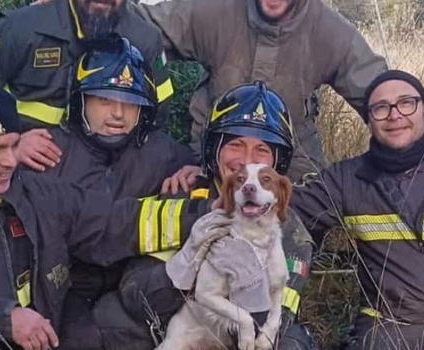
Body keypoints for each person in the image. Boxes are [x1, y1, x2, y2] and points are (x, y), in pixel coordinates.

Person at [0, 75, 212, 350]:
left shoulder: (40, 196)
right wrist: (1, 318)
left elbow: (119, 222)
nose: (11, 161)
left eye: (14, 145)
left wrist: (208, 214)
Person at [137, 0, 424, 183]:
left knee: (292, 242)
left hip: (292, 169)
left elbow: (383, 93)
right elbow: (139, 27)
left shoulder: (331, 32)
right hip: (210, 161)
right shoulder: (212, 11)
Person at [288, 70, 424, 349]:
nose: (394, 115)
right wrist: (235, 198)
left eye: (407, 103)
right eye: (381, 108)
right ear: (369, 121)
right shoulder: (346, 179)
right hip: (392, 329)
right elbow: (286, 214)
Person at [21, 35, 197, 349]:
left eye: (130, 102)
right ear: (81, 100)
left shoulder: (163, 154)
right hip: (67, 285)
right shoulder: (47, 151)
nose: (118, 113)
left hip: (131, 283)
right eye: (104, 99)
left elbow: (218, 182)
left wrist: (201, 173)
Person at [121, 81, 317, 349]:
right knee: (112, 320)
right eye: (236, 144)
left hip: (240, 339)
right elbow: (136, 295)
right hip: (178, 332)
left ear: (277, 162)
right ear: (214, 148)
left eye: (261, 150)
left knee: (293, 343)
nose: (246, 160)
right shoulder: (180, 195)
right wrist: (186, 265)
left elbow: (274, 321)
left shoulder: (291, 232)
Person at [0, 0, 174, 172]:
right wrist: (10, 142)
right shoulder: (27, 26)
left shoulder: (145, 40)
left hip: (101, 177)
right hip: (20, 168)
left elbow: (156, 117)